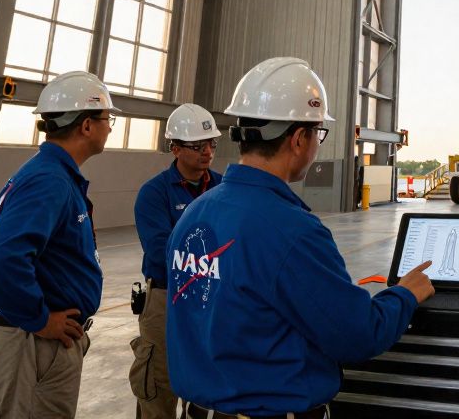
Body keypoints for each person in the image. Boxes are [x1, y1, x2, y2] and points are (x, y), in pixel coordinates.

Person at [165, 57, 435, 419]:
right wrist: (405, 293)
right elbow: (357, 334)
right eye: (318, 133)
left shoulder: (193, 215)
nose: (317, 144)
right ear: (298, 139)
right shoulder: (291, 231)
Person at [0, 71, 120, 418]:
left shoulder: (53, 175)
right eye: (107, 119)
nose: (109, 127)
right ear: (85, 126)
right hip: (29, 347)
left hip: (36, 345)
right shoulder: (49, 181)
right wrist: (40, 319)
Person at [129, 103, 224, 418]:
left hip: (214, 301)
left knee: (206, 389)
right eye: (197, 146)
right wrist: (217, 257)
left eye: (210, 144)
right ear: (175, 148)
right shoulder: (154, 193)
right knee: (158, 385)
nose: (206, 151)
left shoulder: (225, 187)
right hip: (165, 300)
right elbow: (162, 251)